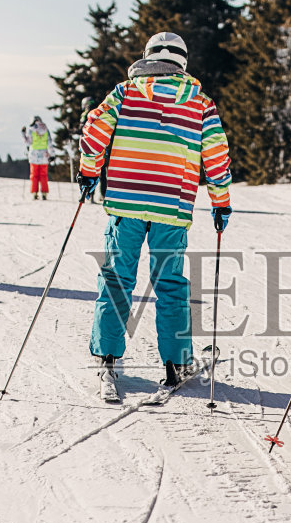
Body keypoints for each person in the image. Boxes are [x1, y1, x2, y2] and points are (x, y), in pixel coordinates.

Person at [80, 32, 232, 398]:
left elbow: (95, 129)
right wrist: (220, 200)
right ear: (182, 62)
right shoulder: (200, 101)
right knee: (170, 285)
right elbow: (216, 154)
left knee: (117, 280)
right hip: (171, 207)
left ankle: (108, 362)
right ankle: (176, 364)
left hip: (126, 205)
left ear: (147, 58)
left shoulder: (125, 92)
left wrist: (88, 171)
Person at [25, 115, 51, 199]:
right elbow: (50, 142)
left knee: (34, 175)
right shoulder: (45, 129)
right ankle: (44, 193)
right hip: (44, 155)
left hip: (34, 155)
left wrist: (23, 134)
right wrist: (52, 154)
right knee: (43, 175)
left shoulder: (31, 130)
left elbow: (28, 142)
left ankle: (34, 193)